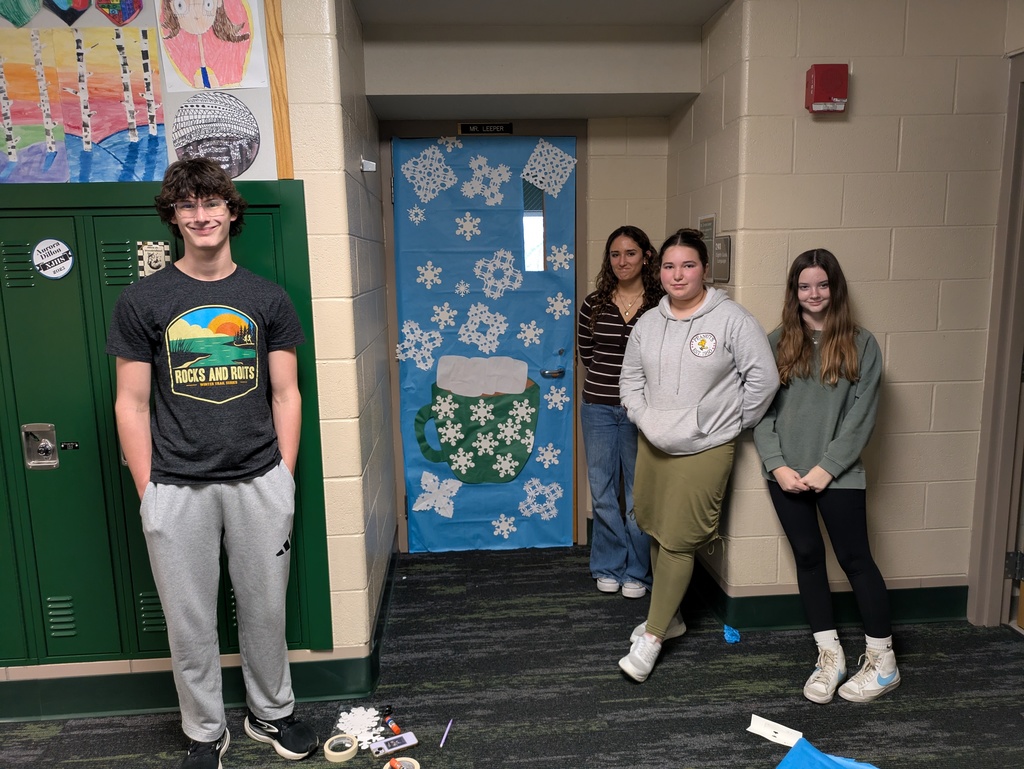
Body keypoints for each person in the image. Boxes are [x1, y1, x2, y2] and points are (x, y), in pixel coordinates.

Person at [107, 157, 318, 768]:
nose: (201, 216)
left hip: (258, 480)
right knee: (189, 621)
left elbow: (286, 394)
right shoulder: (143, 300)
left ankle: (270, 713)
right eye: (188, 206)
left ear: (231, 211)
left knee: (265, 610)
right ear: (173, 217)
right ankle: (204, 731)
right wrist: (150, 490)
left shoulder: (266, 298)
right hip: (177, 487)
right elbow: (130, 403)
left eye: (212, 203)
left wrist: (283, 477)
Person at [617, 228, 779, 682]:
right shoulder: (649, 322)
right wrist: (643, 416)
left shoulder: (732, 320)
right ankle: (670, 618)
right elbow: (630, 379)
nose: (677, 275)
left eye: (688, 265)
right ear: (659, 271)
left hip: (704, 447)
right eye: (669, 266)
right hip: (653, 441)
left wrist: (726, 423)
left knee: (680, 539)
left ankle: (652, 638)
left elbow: (763, 380)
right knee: (654, 527)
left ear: (704, 269)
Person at [753, 249, 899, 704]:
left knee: (856, 560)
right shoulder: (776, 342)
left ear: (835, 288)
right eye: (804, 286)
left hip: (839, 474)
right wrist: (777, 465)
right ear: (793, 291)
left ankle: (884, 663)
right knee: (809, 558)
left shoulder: (862, 344)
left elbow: (861, 417)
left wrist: (826, 469)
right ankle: (829, 656)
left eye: (822, 284)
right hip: (785, 474)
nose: (813, 293)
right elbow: (759, 413)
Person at [577, 225, 663, 598]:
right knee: (603, 491)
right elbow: (586, 353)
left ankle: (637, 572)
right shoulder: (594, 303)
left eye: (630, 253)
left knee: (638, 492)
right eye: (615, 254)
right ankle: (608, 565)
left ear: (646, 257)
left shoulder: (661, 304)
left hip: (641, 411)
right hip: (598, 407)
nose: (622, 261)